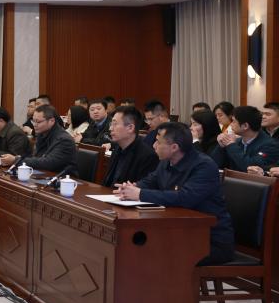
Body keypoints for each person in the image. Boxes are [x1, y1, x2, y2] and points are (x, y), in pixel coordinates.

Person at [115, 122, 234, 266]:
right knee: (132, 244)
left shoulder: (204, 166)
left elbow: (185, 198)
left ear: (174, 147)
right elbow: (150, 181)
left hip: (209, 239)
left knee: (152, 251)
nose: (153, 145)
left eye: (158, 142)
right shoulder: (166, 161)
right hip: (177, 230)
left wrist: (140, 194)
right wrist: (131, 188)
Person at [11, 104, 77, 175]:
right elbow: (36, 157)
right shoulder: (42, 133)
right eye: (34, 121)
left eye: (38, 122)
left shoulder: (64, 140)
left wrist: (17, 160)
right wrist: (19, 158)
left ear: (51, 121)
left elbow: (49, 163)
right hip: (45, 174)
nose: (34, 125)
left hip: (63, 178)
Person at [211, 105, 279, 174]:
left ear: (245, 126)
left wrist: (231, 144)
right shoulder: (236, 141)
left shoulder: (270, 145)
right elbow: (214, 164)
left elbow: (250, 167)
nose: (231, 125)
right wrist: (221, 145)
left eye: (234, 121)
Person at [102, 105, 158, 187]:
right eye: (111, 124)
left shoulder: (148, 156)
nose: (110, 128)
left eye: (115, 124)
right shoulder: (117, 148)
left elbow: (140, 189)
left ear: (130, 128)